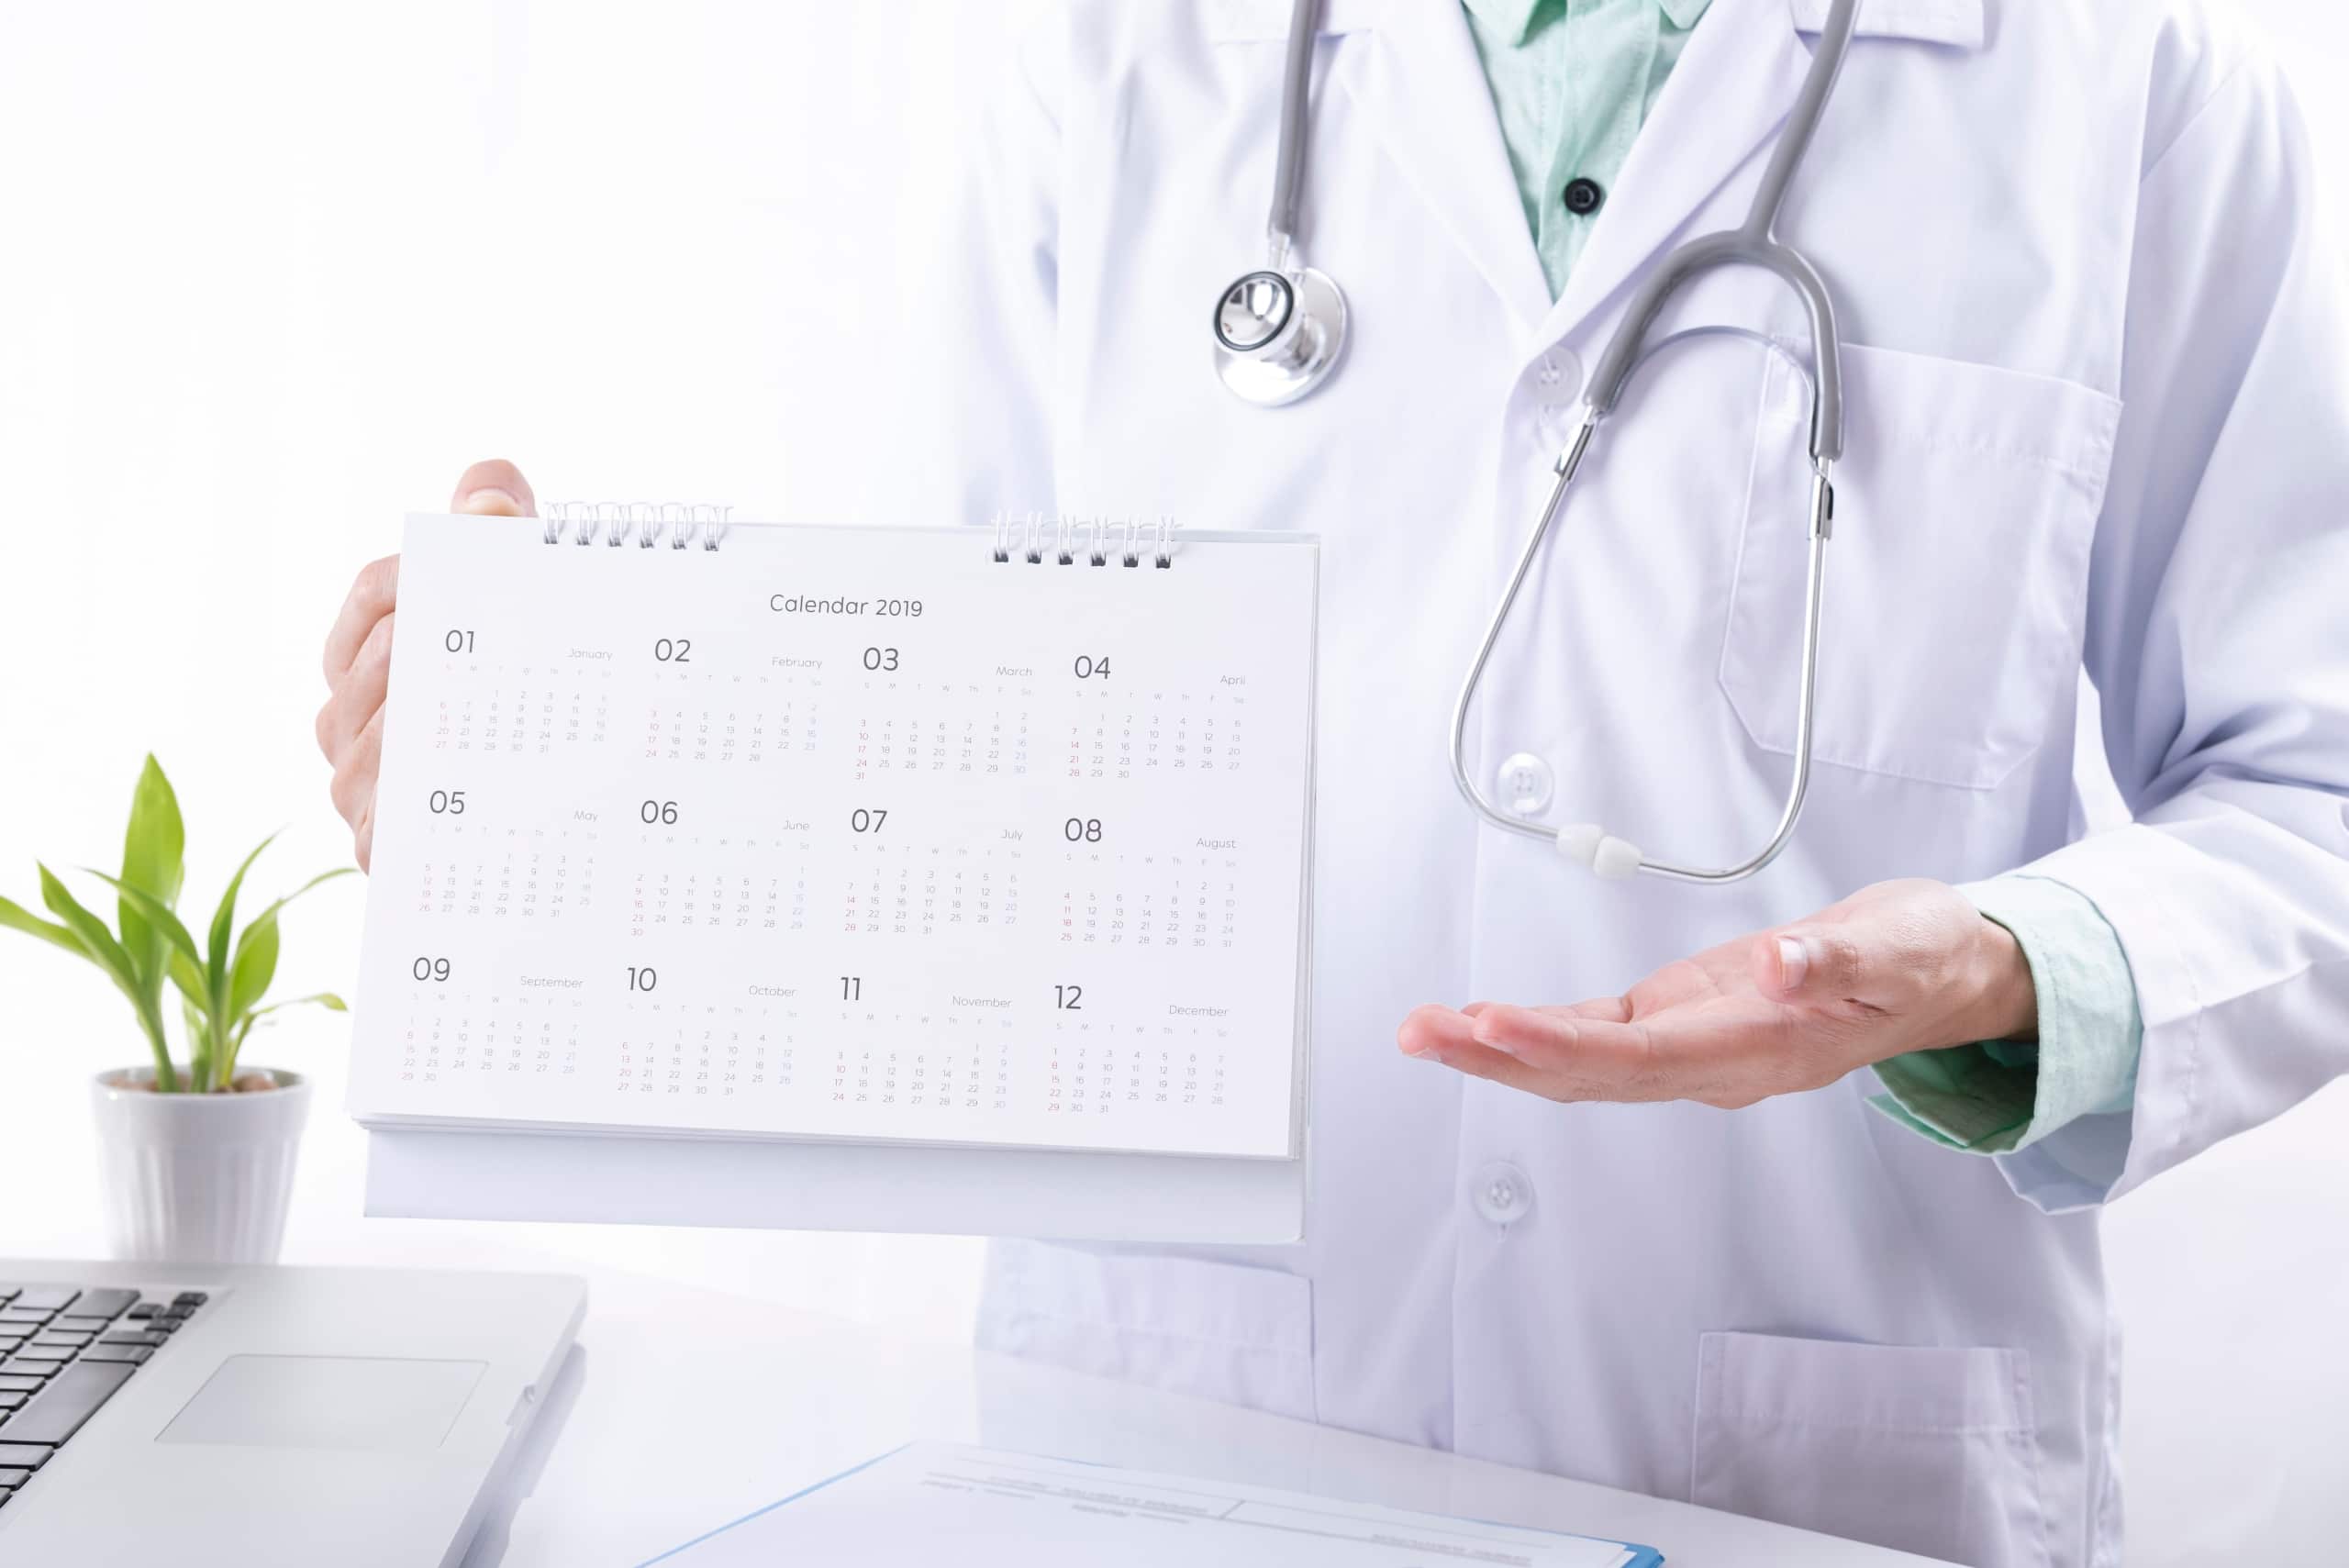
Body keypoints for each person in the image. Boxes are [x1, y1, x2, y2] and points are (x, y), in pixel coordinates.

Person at [316, 3, 2349, 1562]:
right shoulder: (1121, 63)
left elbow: (2314, 785)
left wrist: (2004, 966)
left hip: (1809, 1465)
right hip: (1171, 1444)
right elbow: (917, 777)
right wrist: (550, 783)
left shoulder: (2124, 77)